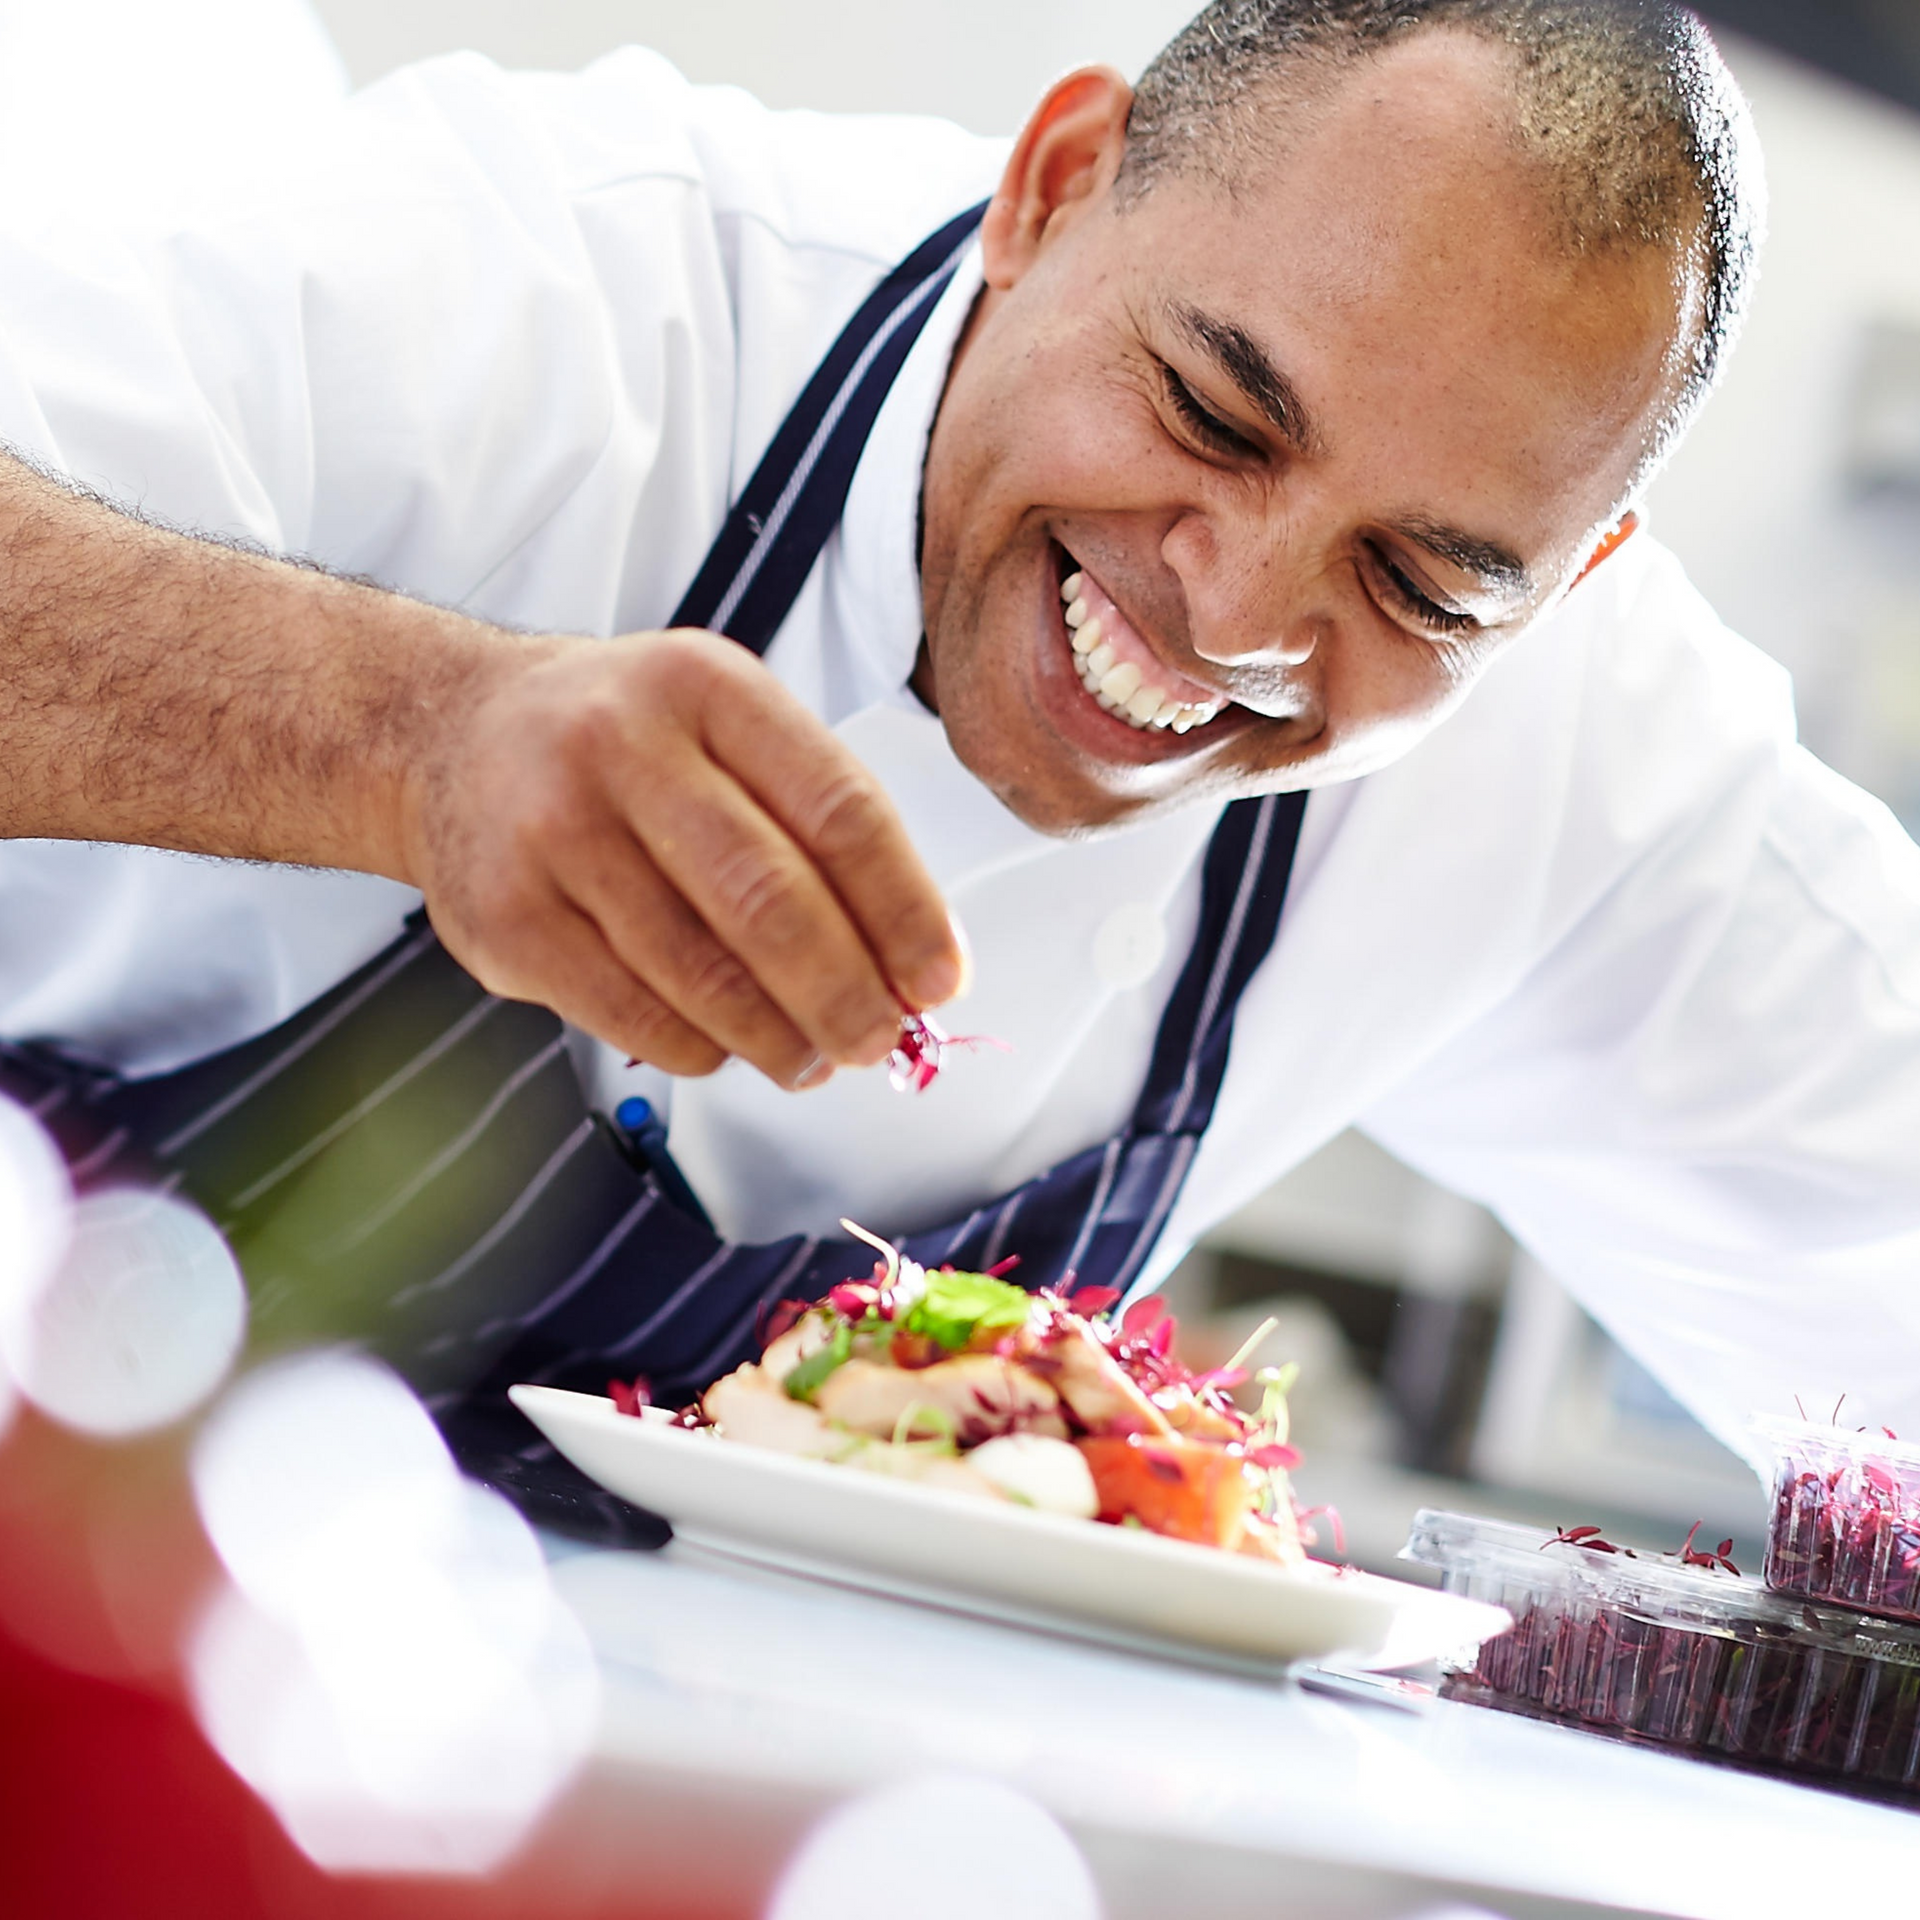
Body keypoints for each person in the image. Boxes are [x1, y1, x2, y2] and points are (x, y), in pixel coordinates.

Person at [1, 0, 1915, 1480]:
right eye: (1215, 413)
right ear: (1056, 184)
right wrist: (406, 739)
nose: (1233, 617)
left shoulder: (1586, 766)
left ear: (1574, 588)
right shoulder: (559, 296)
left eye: (1421, 584)